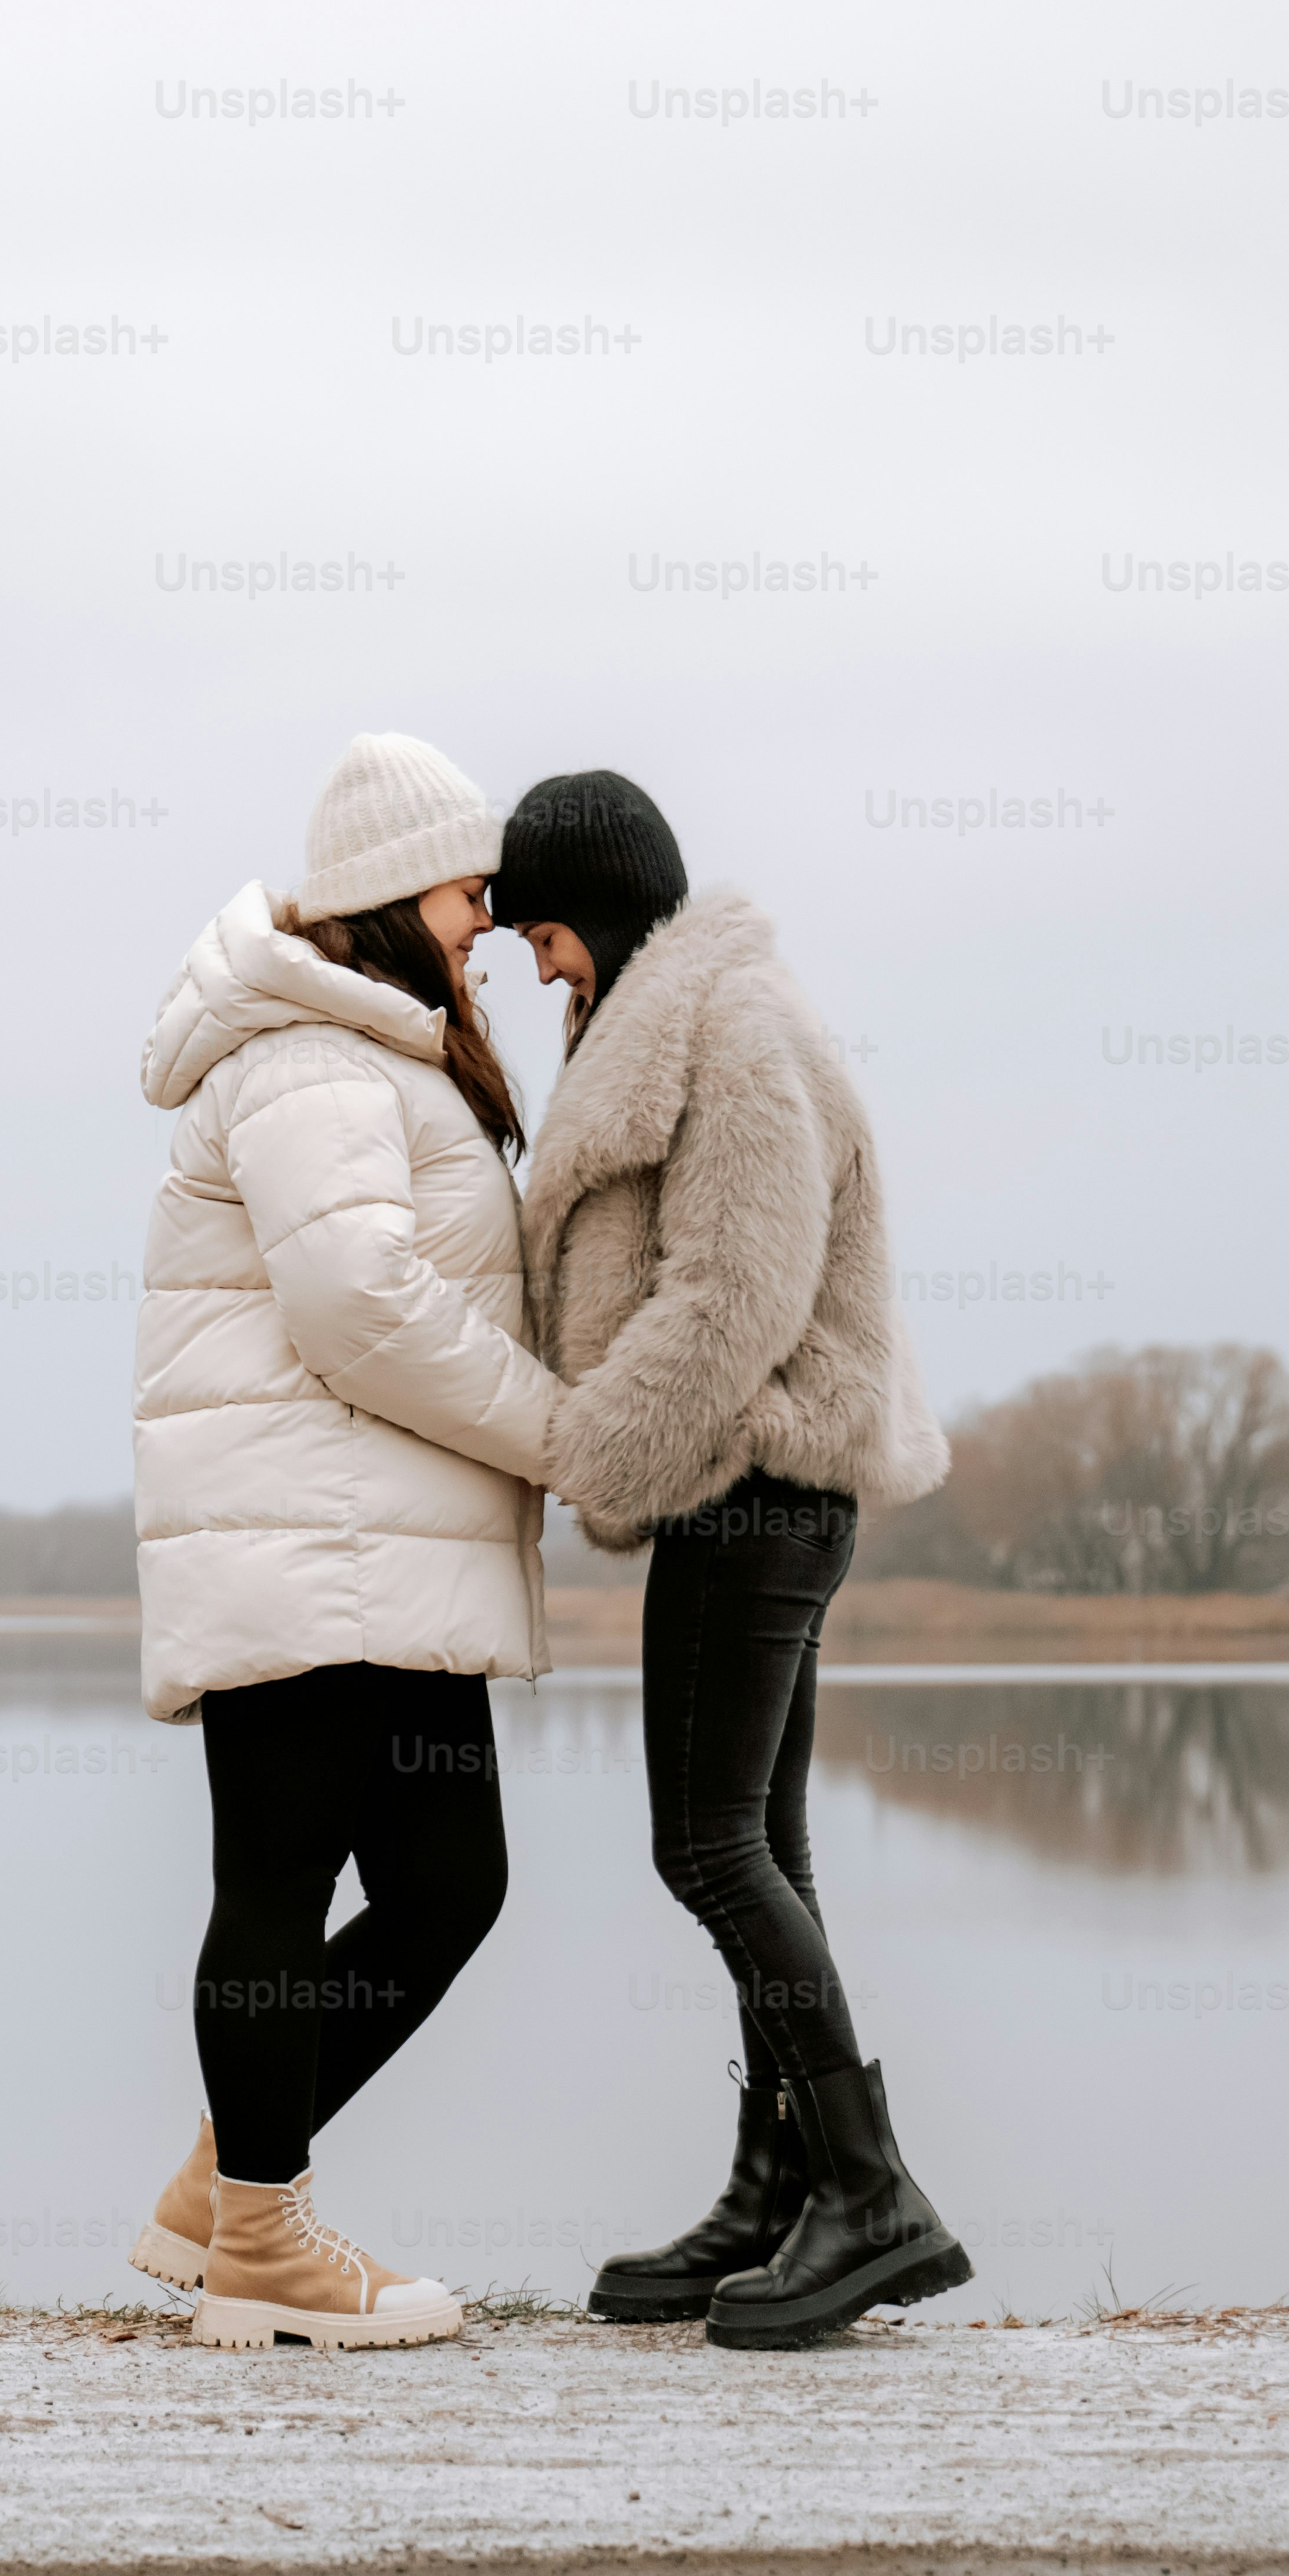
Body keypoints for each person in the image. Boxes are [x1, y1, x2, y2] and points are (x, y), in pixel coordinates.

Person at [494, 769, 973, 2351]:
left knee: (706, 1848)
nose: (541, 966)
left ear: (609, 909)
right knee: (762, 1841)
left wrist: (589, 1450)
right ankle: (785, 2184)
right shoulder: (687, 1021)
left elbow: (734, 1295)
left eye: (548, 932)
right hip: (749, 1486)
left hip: (755, 1481)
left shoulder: (736, 1027)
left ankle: (872, 2186)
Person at [125, 732, 566, 2352]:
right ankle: (263, 2246)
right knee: (283, 1881)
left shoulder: (375, 1050)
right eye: (466, 894)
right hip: (304, 1541)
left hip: (379, 1546)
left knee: (451, 1884)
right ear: (393, 896)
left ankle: (227, 2190)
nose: (486, 929)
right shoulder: (314, 1059)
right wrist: (562, 1432)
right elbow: (357, 1304)